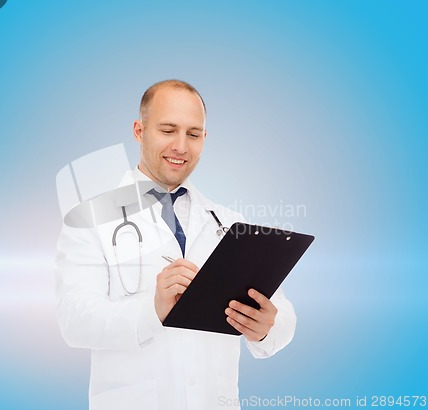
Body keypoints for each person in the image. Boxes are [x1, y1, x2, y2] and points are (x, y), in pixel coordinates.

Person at [55, 80, 296, 410]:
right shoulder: (89, 218)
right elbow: (74, 320)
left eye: (193, 134)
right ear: (139, 130)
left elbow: (280, 311)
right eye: (168, 130)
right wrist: (152, 310)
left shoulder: (230, 223)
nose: (181, 146)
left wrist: (267, 327)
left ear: (204, 139)